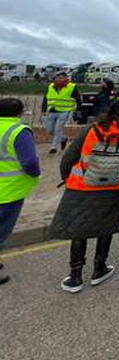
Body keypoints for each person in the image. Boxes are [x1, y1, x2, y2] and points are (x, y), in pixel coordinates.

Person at [50, 99, 119, 293]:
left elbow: (69, 157)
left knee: (78, 228)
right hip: (114, 186)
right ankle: (99, 268)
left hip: (83, 185)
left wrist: (66, 177)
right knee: (105, 226)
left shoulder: (93, 129)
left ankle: (75, 276)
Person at [0, 98, 41, 286]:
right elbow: (30, 163)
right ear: (20, 112)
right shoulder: (18, 131)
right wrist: (35, 175)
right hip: (8, 192)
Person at [42, 72, 82, 154]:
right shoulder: (51, 86)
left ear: (66, 79)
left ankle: (54, 147)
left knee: (58, 129)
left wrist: (78, 109)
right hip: (52, 110)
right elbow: (45, 98)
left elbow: (78, 99)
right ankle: (63, 139)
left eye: (61, 78)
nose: (59, 79)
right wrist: (43, 110)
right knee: (49, 130)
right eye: (58, 77)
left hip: (64, 111)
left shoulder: (71, 87)